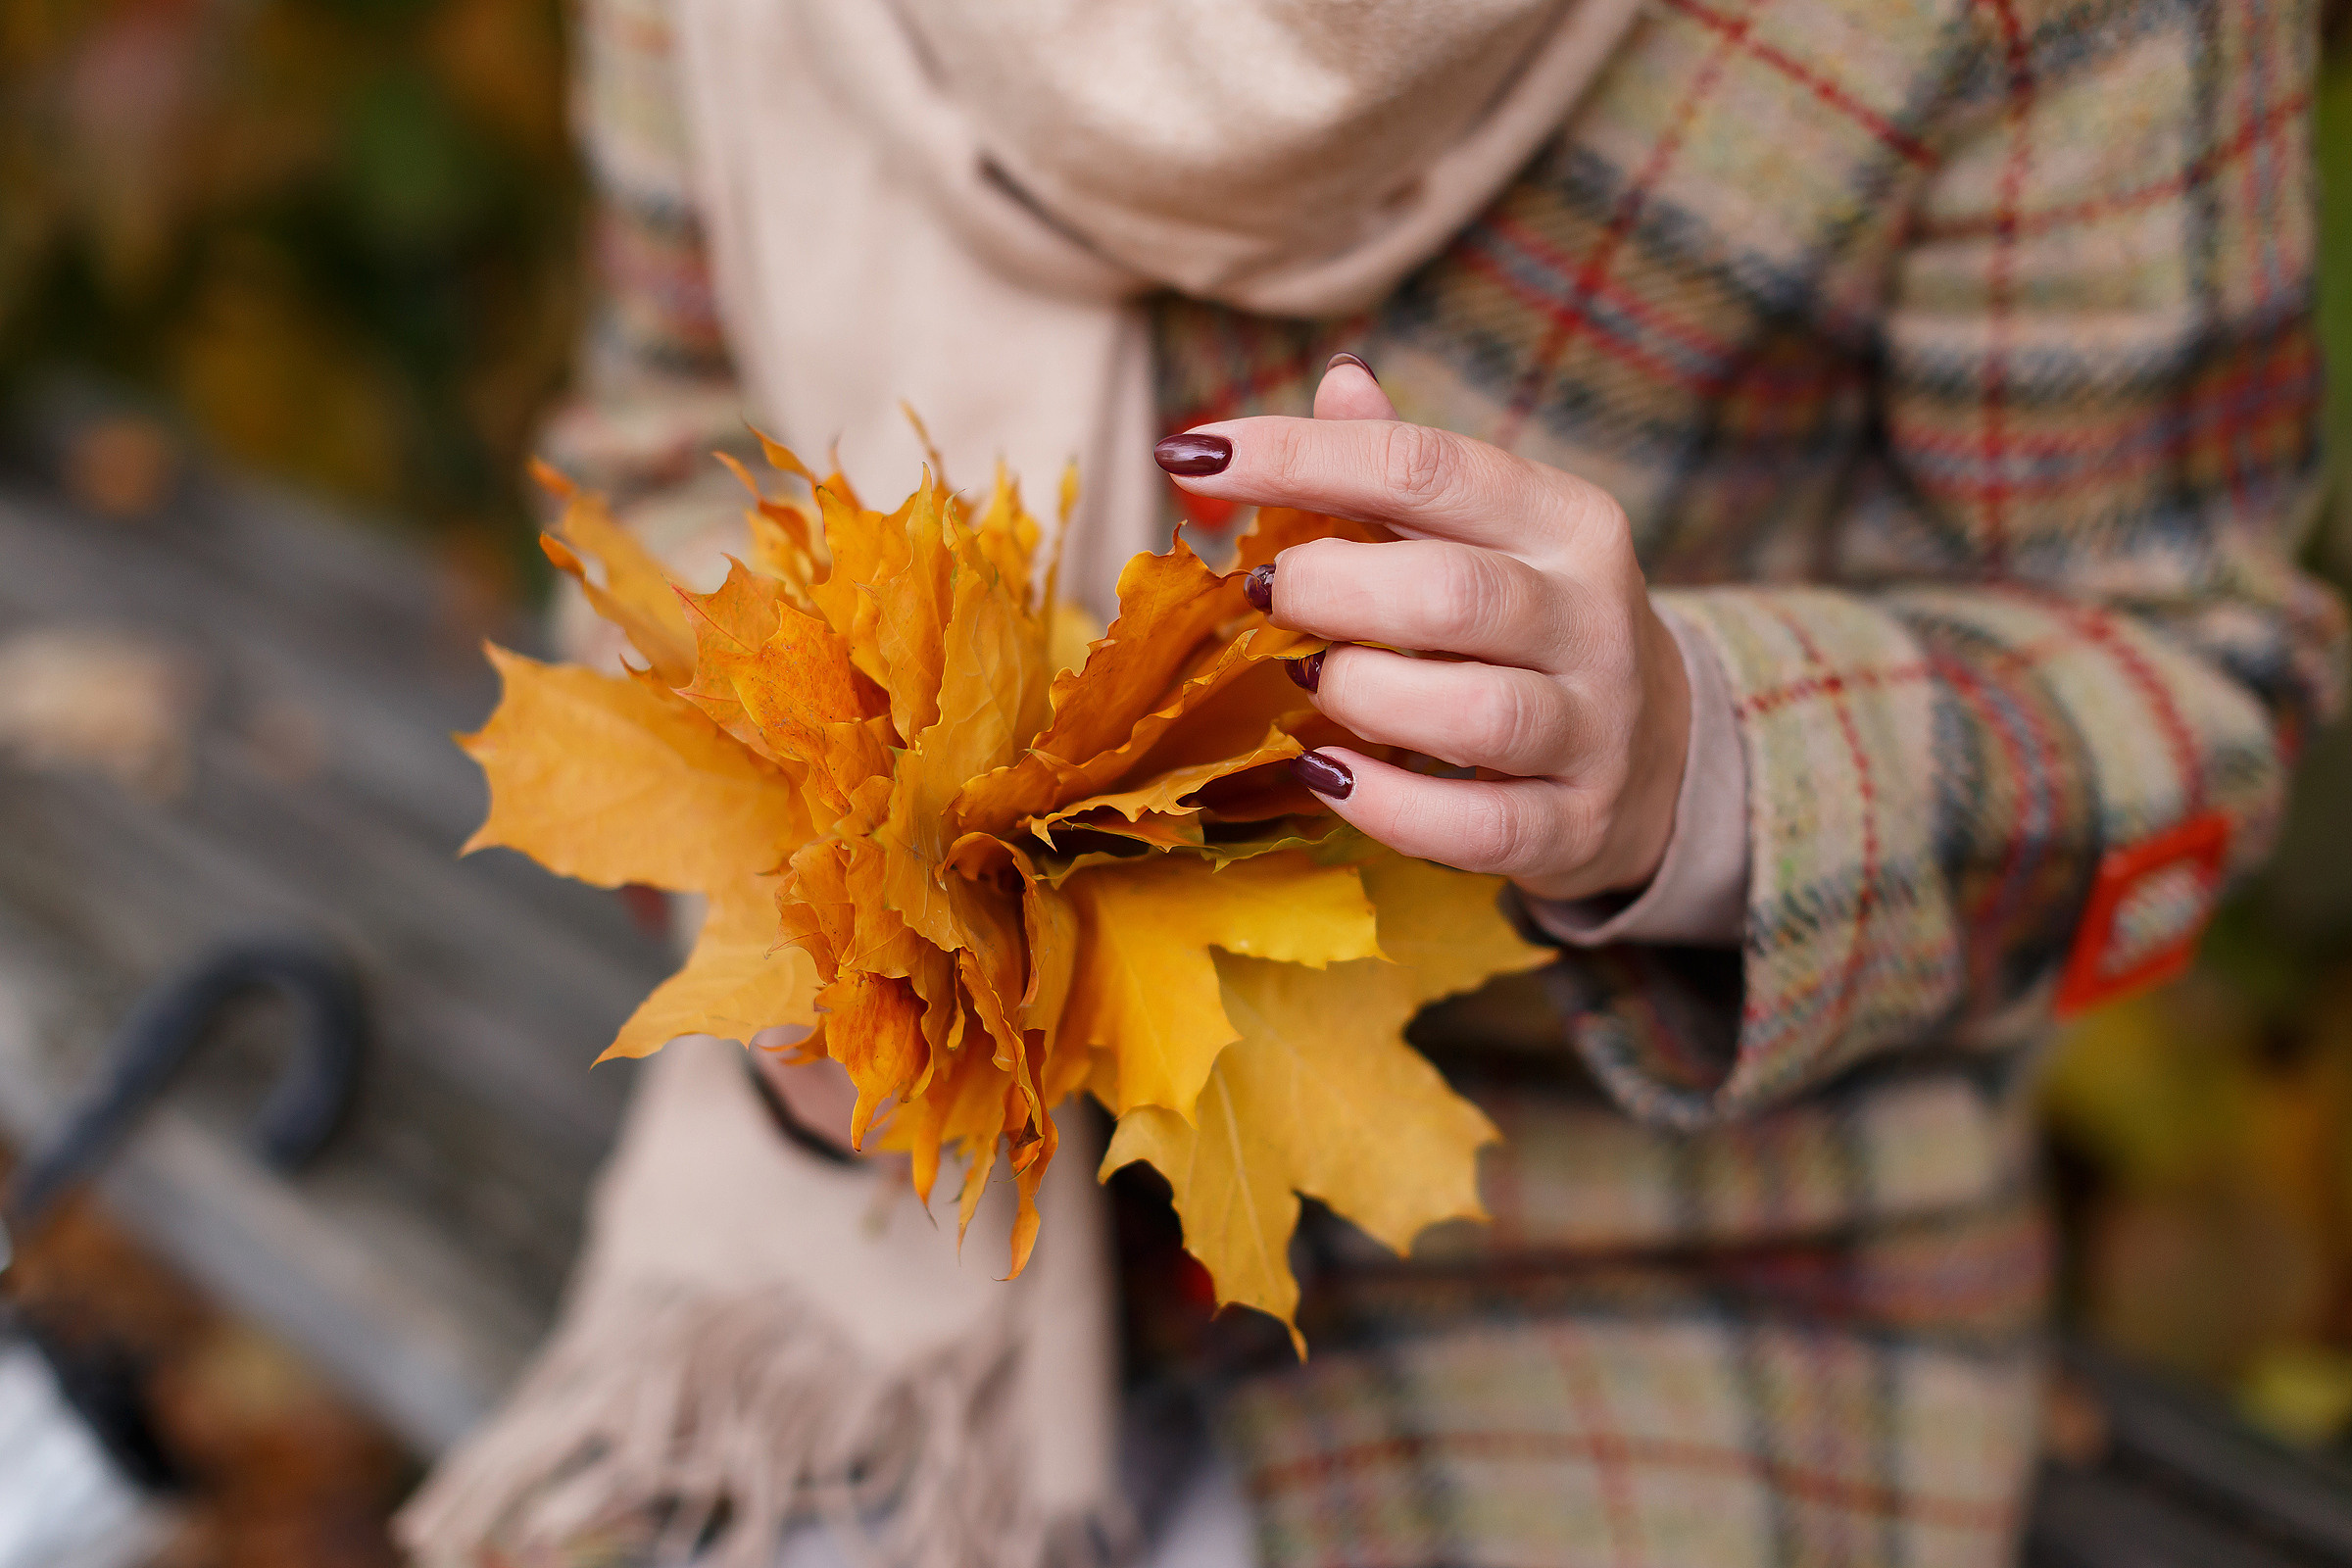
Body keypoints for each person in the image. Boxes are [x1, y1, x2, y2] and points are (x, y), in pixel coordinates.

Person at [400, 2, 2348, 1565]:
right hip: (863, 1224)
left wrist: (1695, 761)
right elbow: (665, 435)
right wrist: (794, 846)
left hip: (1621, 1250)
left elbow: (2192, 684)